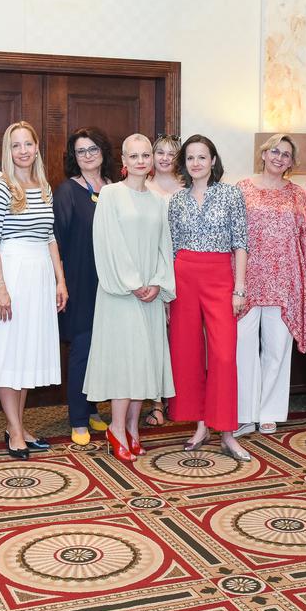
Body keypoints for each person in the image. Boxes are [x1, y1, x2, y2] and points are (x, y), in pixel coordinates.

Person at [84, 134, 176, 461]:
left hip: (150, 294)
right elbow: (107, 242)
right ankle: (116, 427)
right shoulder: (110, 194)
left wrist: (158, 283)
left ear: (152, 160)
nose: (140, 161)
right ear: (123, 160)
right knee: (125, 362)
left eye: (145, 155)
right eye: (133, 155)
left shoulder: (159, 201)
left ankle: (134, 428)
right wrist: (133, 283)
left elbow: (165, 246)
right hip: (120, 294)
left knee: (144, 362)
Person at [0, 121, 68, 459]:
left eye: (27, 144)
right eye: (16, 145)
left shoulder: (44, 187)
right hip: (12, 274)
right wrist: (0, 287)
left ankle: (16, 424)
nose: (22, 151)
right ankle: (15, 430)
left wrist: (60, 281)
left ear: (36, 148)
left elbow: (50, 238)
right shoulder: (0, 188)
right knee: (9, 352)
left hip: (40, 275)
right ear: (8, 150)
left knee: (27, 351)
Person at [167, 135, 250, 460]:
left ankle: (227, 432)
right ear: (184, 163)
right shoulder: (176, 200)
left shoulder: (231, 194)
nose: (196, 163)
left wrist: (239, 288)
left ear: (213, 160)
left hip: (219, 278)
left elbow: (240, 242)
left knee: (224, 356)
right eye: (190, 158)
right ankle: (201, 425)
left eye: (202, 157)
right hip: (184, 277)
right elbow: (172, 247)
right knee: (187, 354)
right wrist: (169, 292)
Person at [235, 134, 306, 436]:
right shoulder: (241, 188)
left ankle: (269, 411)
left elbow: (304, 236)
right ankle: (244, 413)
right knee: (243, 349)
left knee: (277, 349)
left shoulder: (298, 194)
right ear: (264, 154)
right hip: (247, 279)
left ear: (292, 162)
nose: (279, 157)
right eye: (275, 151)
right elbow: (233, 235)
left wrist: (303, 279)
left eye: (286, 154)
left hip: (284, 281)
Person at [54, 127, 117, 446]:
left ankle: (93, 408)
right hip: (80, 280)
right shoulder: (67, 191)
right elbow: (57, 241)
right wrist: (61, 282)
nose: (88, 155)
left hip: (112, 282)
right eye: (81, 151)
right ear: (74, 157)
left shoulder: (115, 189)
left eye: (93, 149)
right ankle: (78, 418)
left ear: (103, 152)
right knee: (82, 348)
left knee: (103, 349)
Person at [143, 133, 184, 431]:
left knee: (181, 337)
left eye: (172, 153)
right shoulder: (142, 187)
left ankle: (180, 399)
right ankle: (156, 401)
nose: (166, 158)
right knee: (155, 338)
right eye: (160, 152)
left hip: (183, 269)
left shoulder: (188, 188)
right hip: (151, 270)